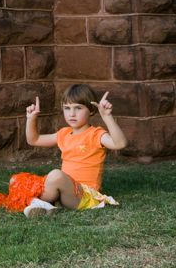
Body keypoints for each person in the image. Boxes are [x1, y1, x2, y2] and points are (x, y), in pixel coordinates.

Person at [23, 85, 128, 217]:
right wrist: (30, 119)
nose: (72, 114)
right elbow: (34, 140)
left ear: (90, 110)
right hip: (65, 192)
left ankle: (38, 203)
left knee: (56, 175)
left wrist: (107, 116)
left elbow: (120, 143)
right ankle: (44, 205)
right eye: (67, 108)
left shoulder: (96, 134)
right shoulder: (64, 133)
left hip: (83, 196)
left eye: (78, 108)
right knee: (19, 180)